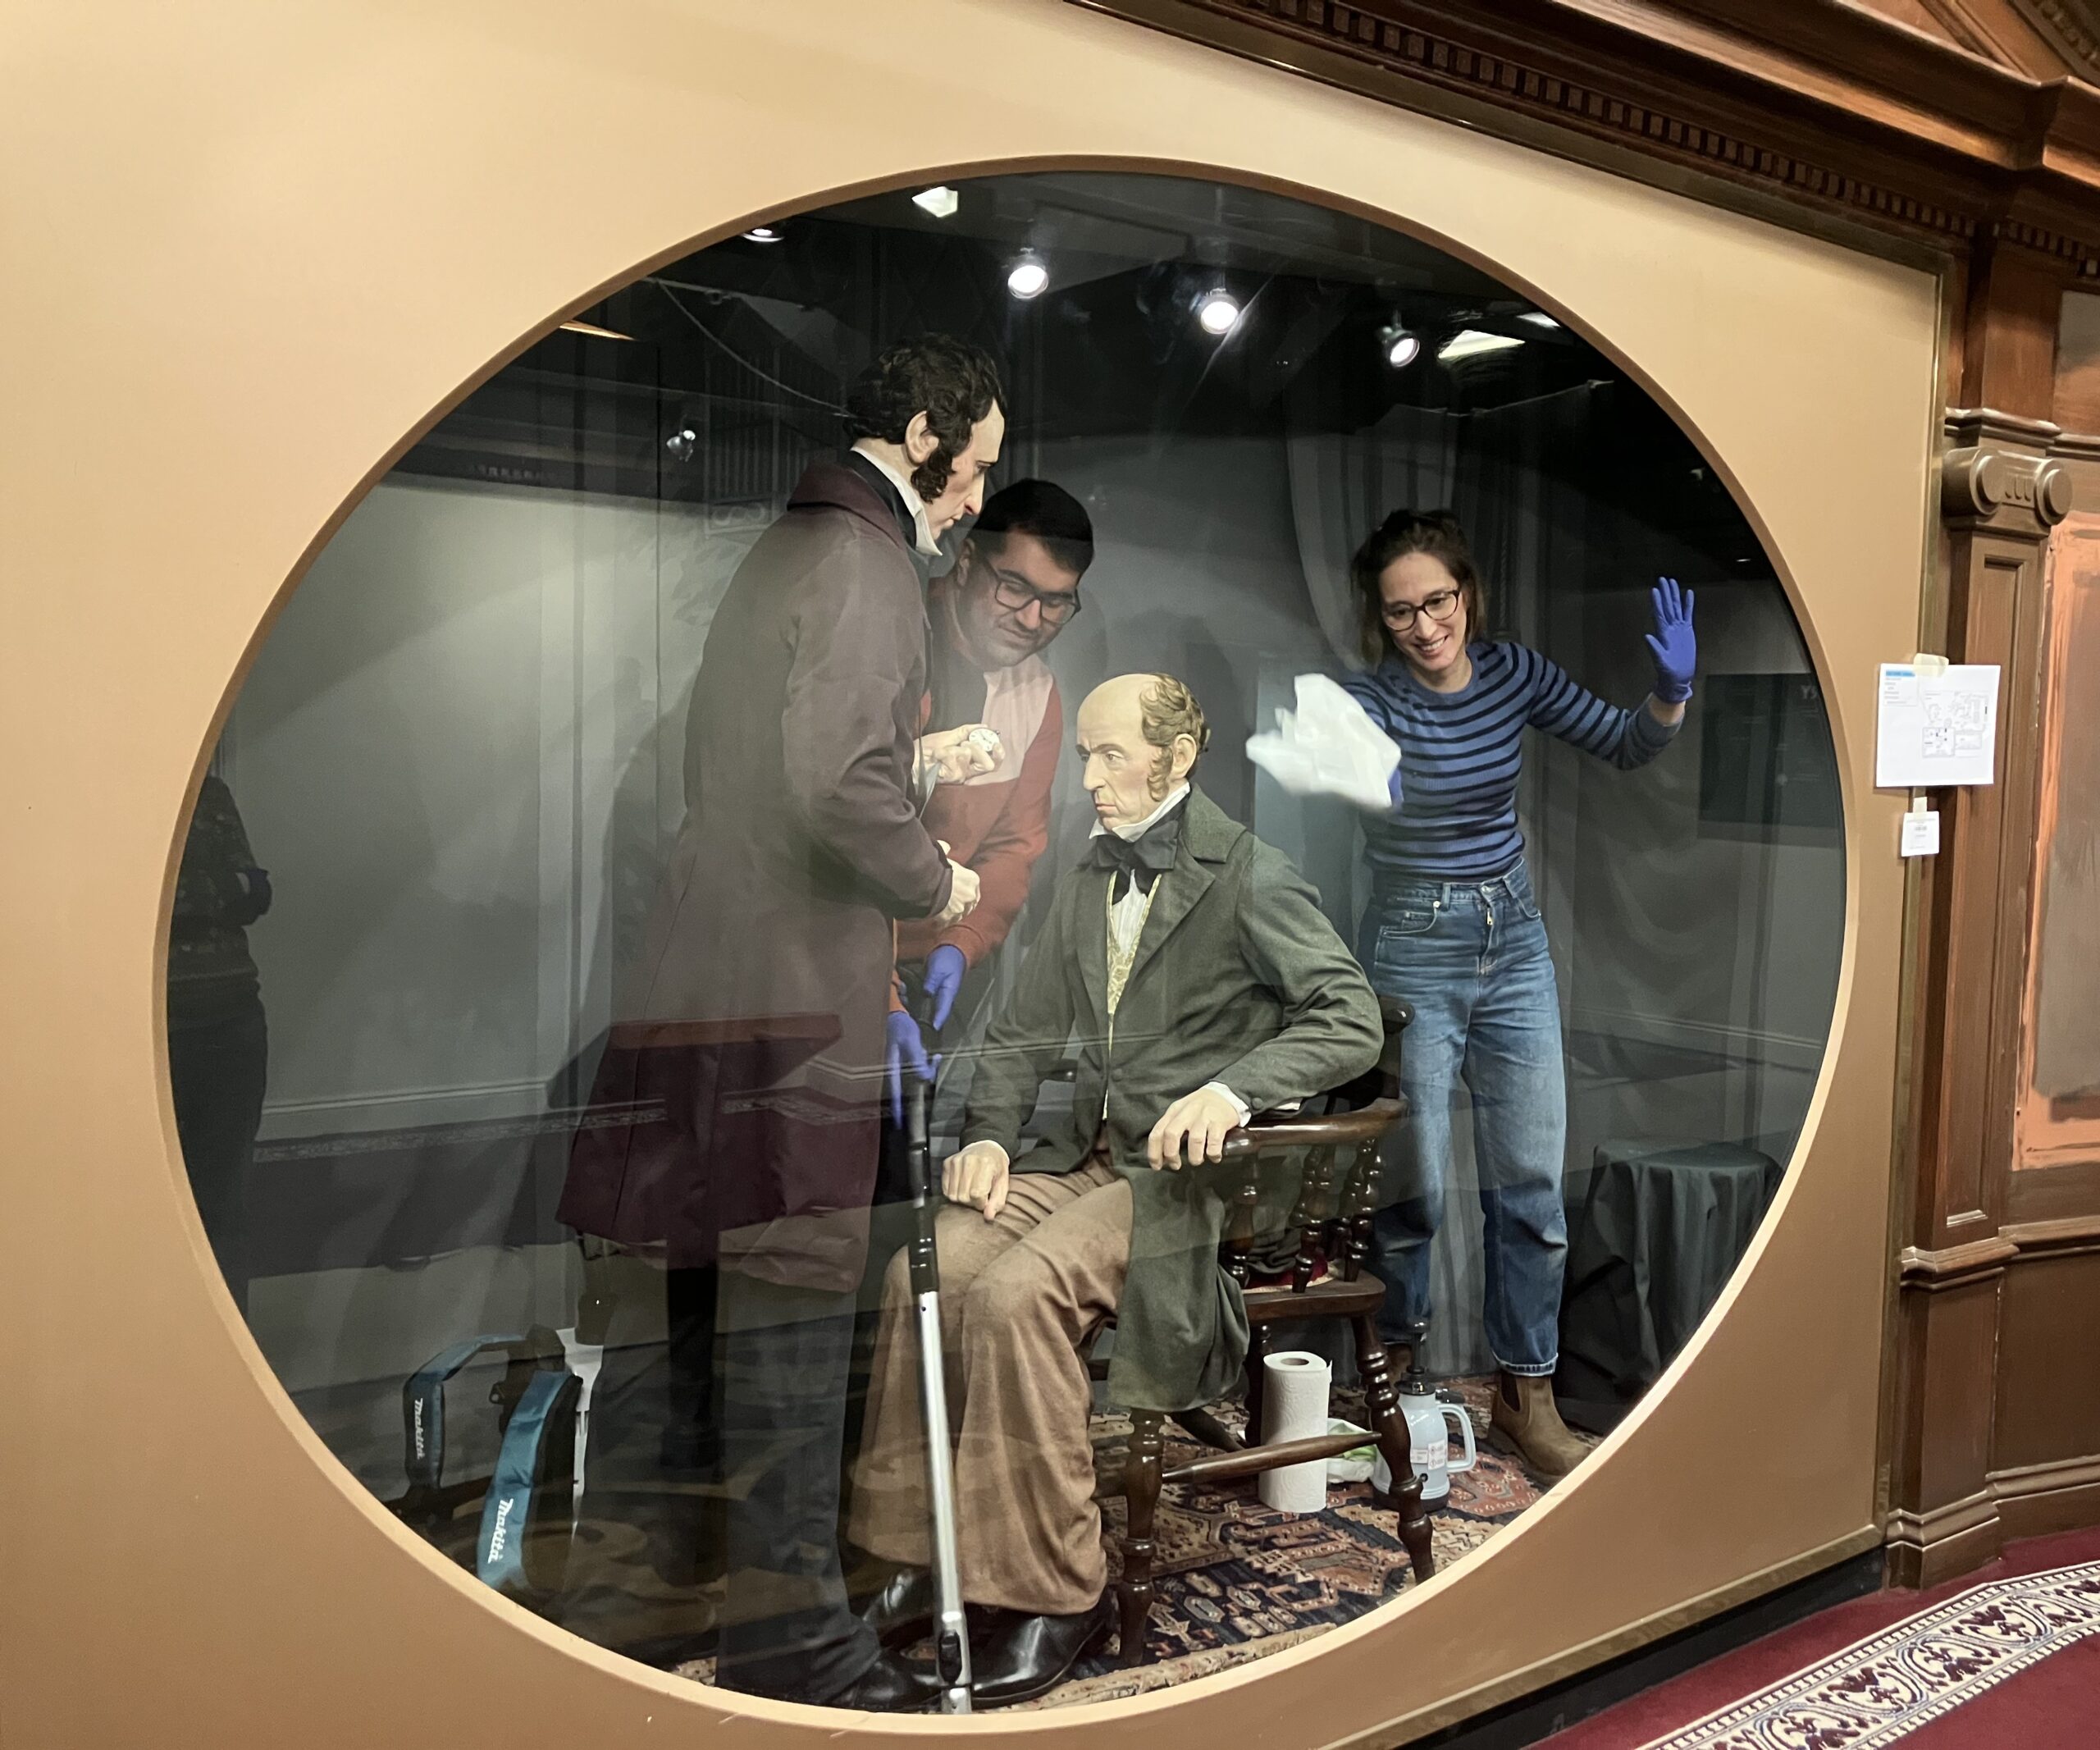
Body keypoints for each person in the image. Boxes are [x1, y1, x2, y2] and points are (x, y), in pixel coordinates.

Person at [557, 334, 1006, 1711]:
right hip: (791, 992)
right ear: (924, 435)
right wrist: (938, 876)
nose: (979, 496)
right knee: (793, 1306)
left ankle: (656, 1605)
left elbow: (771, 763)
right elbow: (831, 789)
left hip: (711, 974)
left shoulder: (790, 545)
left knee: (698, 1299)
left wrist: (906, 758)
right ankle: (795, 1640)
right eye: (977, 464)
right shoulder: (871, 562)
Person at [848, 674, 1383, 1706]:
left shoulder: (1249, 874)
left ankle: (1057, 1592)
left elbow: (1349, 1016)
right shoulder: (1088, 873)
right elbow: (1020, 1029)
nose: (1087, 777)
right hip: (1082, 1158)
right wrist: (989, 1138)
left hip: (1187, 1184)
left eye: (1109, 756)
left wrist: (1230, 1090)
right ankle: (921, 1551)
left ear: (1174, 760)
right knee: (930, 1269)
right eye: (1085, 754)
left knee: (1017, 1296)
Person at [1339, 509, 1695, 1479]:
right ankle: (1391, 1387)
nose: (1424, 626)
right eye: (1401, 611)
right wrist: (1342, 766)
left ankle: (1523, 1398)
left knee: (1532, 1188)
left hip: (1515, 938)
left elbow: (1627, 744)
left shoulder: (1512, 673)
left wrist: (1670, 692)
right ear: (1380, 618)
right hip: (1412, 941)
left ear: (1468, 593)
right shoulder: (1367, 700)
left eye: (1438, 601)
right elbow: (1359, 795)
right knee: (1412, 1191)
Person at [883, 477, 1093, 1124]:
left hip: (931, 965)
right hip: (832, 961)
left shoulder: (1039, 695)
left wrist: (963, 942)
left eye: (1056, 603)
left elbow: (1013, 848)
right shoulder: (893, 643)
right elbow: (843, 835)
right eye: (1015, 588)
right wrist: (877, 995)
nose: (1032, 620)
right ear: (968, 560)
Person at [167, 771, 272, 1313]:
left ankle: (231, 1341)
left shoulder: (208, 791)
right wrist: (223, 889)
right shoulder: (108, 794)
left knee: (225, 1205)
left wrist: (195, 892)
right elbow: (137, 896)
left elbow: (259, 892)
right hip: (155, 1032)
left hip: (233, 1024)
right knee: (150, 1204)